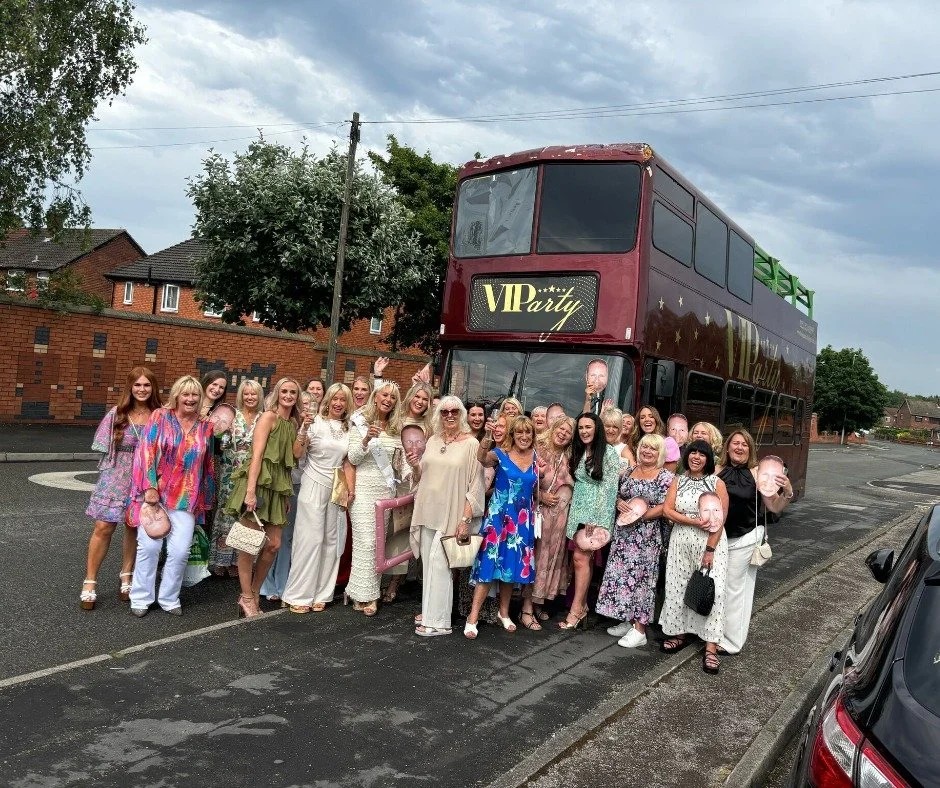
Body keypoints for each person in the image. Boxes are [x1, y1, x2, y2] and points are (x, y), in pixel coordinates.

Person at [127, 375, 216, 617]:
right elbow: (146, 451)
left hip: (187, 497)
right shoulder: (160, 417)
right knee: (149, 546)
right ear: (176, 395)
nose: (190, 399)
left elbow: (207, 464)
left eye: (195, 394)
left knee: (180, 551)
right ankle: (141, 597)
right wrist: (149, 487)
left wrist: (206, 497)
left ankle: (169, 598)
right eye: (185, 394)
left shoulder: (206, 426)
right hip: (156, 494)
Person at [80, 367, 162, 610]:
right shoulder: (117, 414)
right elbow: (103, 448)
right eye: (137, 385)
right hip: (116, 476)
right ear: (130, 387)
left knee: (133, 527)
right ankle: (90, 580)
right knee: (103, 527)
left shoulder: (160, 415)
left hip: (144, 478)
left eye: (147, 385)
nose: (142, 389)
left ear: (153, 388)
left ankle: (127, 574)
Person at [223, 377, 302, 618]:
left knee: (273, 545)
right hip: (258, 483)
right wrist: (250, 491)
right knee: (248, 544)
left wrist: (285, 494)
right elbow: (256, 456)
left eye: (293, 392)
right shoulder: (269, 417)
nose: (288, 395)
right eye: (284, 391)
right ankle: (247, 596)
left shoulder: (293, 423)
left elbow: (293, 458)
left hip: (278, 486)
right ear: (277, 393)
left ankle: (254, 591)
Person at [409, 397, 484, 637]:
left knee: (441, 567)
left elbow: (476, 486)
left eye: (454, 411)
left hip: (452, 513)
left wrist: (465, 519)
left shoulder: (472, 443)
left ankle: (439, 623)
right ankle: (429, 616)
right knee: (430, 567)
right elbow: (423, 476)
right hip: (428, 511)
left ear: (461, 414)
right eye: (444, 412)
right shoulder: (432, 440)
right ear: (438, 415)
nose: (449, 415)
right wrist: (414, 466)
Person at [715, 430, 792, 654]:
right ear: (727, 447)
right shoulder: (716, 470)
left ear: (750, 450)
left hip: (746, 537)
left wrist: (787, 492)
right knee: (720, 588)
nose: (739, 447)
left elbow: (774, 507)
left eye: (744, 445)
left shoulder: (757, 473)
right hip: (719, 538)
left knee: (736, 589)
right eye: (735, 443)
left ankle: (731, 642)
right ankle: (715, 633)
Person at [596, 434, 674, 647]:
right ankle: (627, 619)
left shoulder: (665, 476)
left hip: (646, 537)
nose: (648, 451)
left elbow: (667, 505)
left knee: (641, 581)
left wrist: (640, 515)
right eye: (645, 447)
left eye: (653, 449)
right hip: (623, 536)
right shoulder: (629, 471)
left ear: (660, 454)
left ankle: (640, 630)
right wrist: (620, 503)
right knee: (622, 578)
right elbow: (616, 495)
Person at [282, 384, 354, 613]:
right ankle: (298, 594)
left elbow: (348, 461)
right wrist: (303, 428)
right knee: (309, 539)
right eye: (335, 398)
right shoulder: (316, 423)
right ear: (328, 400)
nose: (338, 403)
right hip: (313, 481)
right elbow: (297, 453)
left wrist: (349, 489)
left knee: (331, 540)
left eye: (343, 399)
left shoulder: (348, 428)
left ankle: (323, 593)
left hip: (337, 486)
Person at [660, 440, 729, 674]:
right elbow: (667, 510)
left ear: (708, 458)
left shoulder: (716, 483)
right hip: (680, 540)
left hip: (708, 543)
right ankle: (679, 634)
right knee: (677, 587)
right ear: (686, 456)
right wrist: (692, 521)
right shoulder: (678, 480)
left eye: (702, 454)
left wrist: (710, 549)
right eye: (693, 453)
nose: (696, 457)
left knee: (714, 591)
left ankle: (711, 646)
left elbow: (720, 522)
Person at [466, 415, 539, 638]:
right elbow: (481, 458)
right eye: (519, 432)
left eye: (528, 433)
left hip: (522, 522)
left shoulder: (536, 457)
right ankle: (473, 617)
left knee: (510, 568)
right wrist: (488, 435)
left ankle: (504, 613)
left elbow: (534, 490)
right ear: (512, 435)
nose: (524, 437)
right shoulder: (501, 454)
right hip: (499, 519)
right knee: (488, 567)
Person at [346, 382, 403, 616]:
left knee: (378, 543)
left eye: (393, 397)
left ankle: (362, 590)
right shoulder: (359, 423)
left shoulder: (396, 428)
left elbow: (400, 463)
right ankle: (366, 595)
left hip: (385, 492)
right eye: (385, 395)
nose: (388, 399)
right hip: (362, 490)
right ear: (376, 397)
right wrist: (366, 440)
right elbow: (352, 458)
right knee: (365, 542)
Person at [561, 412, 620, 630]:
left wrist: (596, 519)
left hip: (594, 514)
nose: (584, 431)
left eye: (589, 427)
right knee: (579, 560)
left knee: (581, 559)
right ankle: (582, 606)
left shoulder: (609, 453)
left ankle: (576, 610)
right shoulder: (579, 450)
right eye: (581, 428)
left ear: (597, 429)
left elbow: (609, 489)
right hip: (577, 511)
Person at [382, 381, 433, 603]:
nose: (420, 402)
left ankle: (394, 582)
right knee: (389, 531)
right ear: (410, 396)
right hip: (392, 481)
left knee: (405, 532)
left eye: (425, 399)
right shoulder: (397, 420)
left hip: (417, 482)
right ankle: (384, 574)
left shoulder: (430, 426)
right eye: (417, 397)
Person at [260, 390, 312, 602]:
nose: (307, 407)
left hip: (302, 486)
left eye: (311, 404)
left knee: (286, 539)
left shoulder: (307, 427)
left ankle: (282, 583)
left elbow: (302, 454)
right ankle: (265, 583)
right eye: (305, 403)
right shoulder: (283, 422)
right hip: (278, 484)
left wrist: (306, 428)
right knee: (268, 537)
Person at [208, 379, 263, 577]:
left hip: (251, 474)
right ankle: (221, 560)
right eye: (246, 394)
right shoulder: (232, 415)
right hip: (230, 473)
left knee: (244, 516)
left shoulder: (263, 418)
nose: (250, 397)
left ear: (259, 396)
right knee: (226, 513)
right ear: (241, 396)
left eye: (253, 394)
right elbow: (216, 438)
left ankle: (239, 562)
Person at [529, 415, 575, 625]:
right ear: (554, 428)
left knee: (549, 561)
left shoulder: (569, 457)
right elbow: (524, 478)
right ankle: (526, 608)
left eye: (568, 432)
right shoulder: (538, 448)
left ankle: (538, 603)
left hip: (559, 522)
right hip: (540, 516)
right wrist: (540, 496)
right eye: (561, 429)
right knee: (536, 560)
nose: (563, 433)